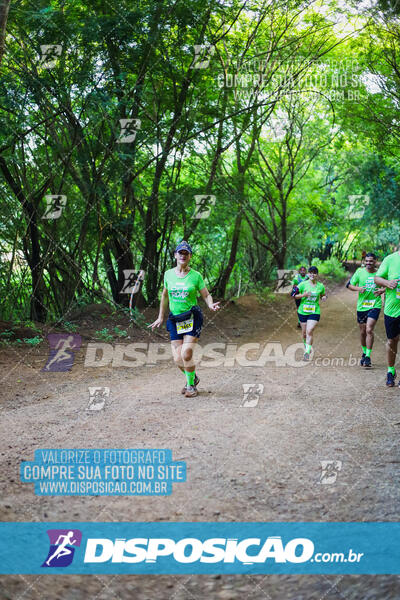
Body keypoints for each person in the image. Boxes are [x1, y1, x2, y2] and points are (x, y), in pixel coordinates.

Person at [149, 241, 220, 397]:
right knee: (177, 359)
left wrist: (210, 304)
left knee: (186, 354)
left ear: (190, 257)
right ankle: (193, 377)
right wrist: (161, 316)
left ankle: (190, 387)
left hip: (192, 318)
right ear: (175, 255)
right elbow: (164, 295)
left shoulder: (196, 276)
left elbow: (206, 294)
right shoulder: (168, 274)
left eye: (186, 253)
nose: (183, 255)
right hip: (175, 320)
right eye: (180, 253)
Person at [347, 252, 385, 368]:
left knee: (369, 329)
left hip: (375, 305)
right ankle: (364, 352)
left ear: (375, 261)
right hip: (362, 306)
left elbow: (388, 285)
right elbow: (349, 285)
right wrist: (359, 288)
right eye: (367, 261)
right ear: (364, 261)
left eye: (371, 261)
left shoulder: (380, 273)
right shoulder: (359, 272)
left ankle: (368, 356)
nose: (369, 263)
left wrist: (381, 291)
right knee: (363, 332)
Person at [374, 247, 400, 386]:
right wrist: (387, 283)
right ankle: (390, 371)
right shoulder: (390, 259)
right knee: (392, 340)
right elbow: (377, 278)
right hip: (392, 309)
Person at [294, 266, 327, 361]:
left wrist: (324, 297)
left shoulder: (320, 286)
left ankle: (307, 352)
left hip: (314, 312)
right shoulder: (302, 285)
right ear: (308, 274)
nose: (312, 274)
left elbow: (323, 295)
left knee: (309, 331)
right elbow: (294, 295)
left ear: (317, 275)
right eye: (310, 273)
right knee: (304, 333)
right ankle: (307, 347)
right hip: (302, 312)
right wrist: (303, 295)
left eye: (314, 273)